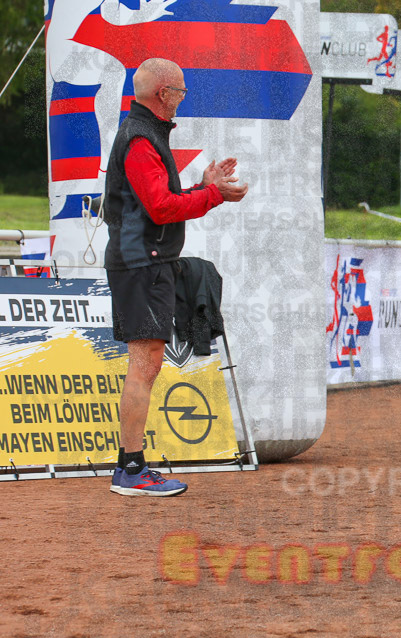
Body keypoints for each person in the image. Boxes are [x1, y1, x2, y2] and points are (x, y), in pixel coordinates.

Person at [103, 58, 248, 496]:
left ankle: (130, 468)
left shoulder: (145, 135)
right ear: (163, 94)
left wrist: (204, 188)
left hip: (146, 261)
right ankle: (130, 470)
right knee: (144, 365)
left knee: (145, 364)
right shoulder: (141, 139)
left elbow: (160, 200)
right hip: (141, 264)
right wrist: (213, 195)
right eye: (180, 91)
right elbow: (161, 208)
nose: (183, 98)